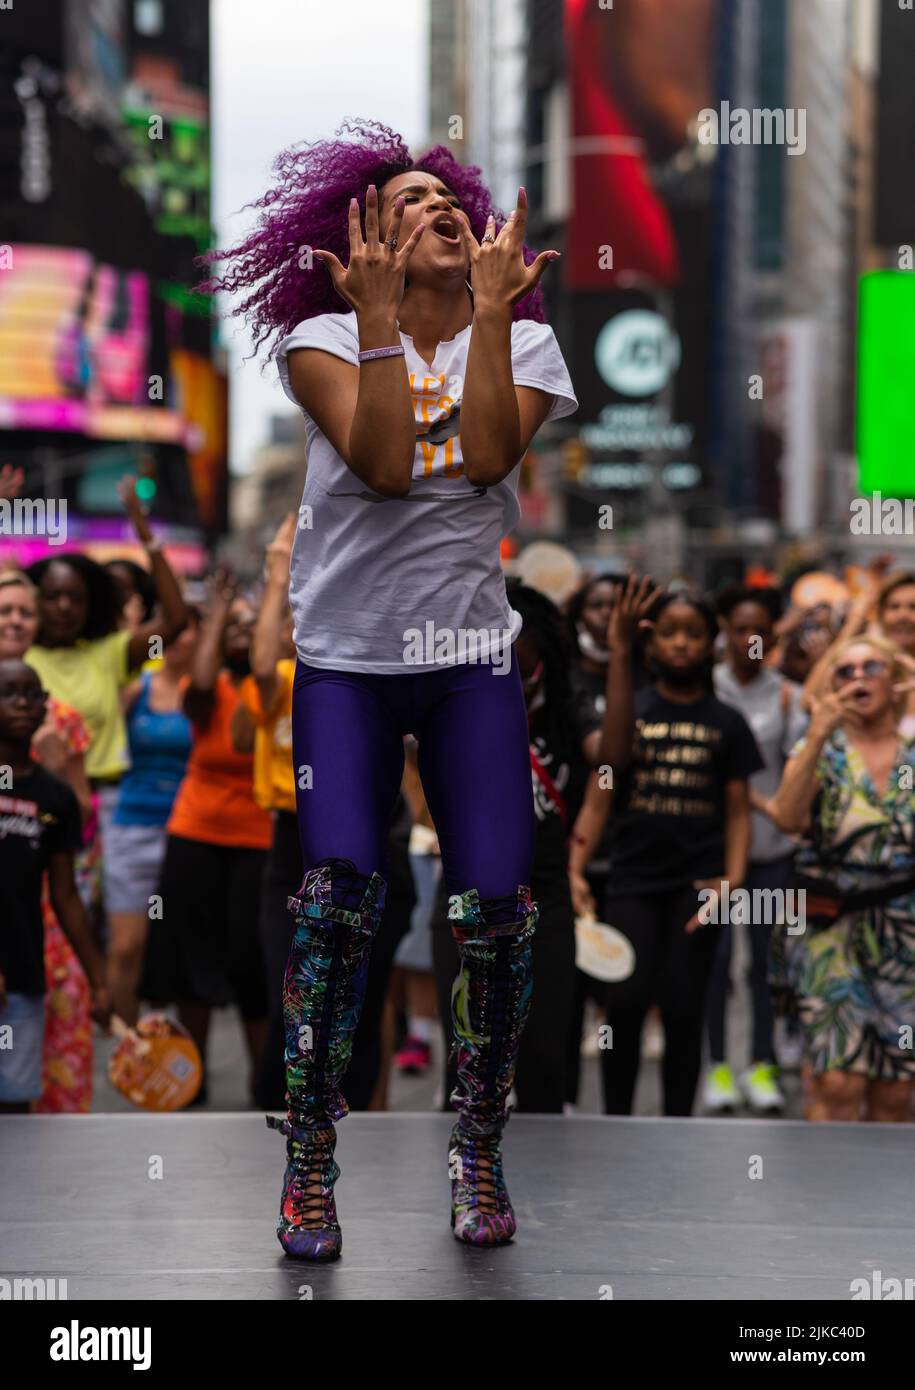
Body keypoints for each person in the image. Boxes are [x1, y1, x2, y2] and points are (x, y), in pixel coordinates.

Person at [201, 118, 576, 1257]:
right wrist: (374, 321)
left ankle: (478, 1146)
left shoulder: (525, 344)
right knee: (339, 898)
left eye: (444, 197)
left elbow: (481, 459)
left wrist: (497, 314)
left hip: (466, 664)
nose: (435, 210)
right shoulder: (321, 335)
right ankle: (311, 1158)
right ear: (361, 236)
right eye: (404, 203)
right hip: (348, 667)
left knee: (501, 909)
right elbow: (375, 462)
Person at [580, 579, 764, 1116]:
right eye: (668, 634)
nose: (680, 643)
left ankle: (680, 1123)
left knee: (684, 1008)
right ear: (651, 643)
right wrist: (577, 863)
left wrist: (731, 883)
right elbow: (601, 795)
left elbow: (737, 811)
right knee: (626, 1003)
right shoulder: (630, 711)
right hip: (633, 880)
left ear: (714, 643)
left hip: (696, 885)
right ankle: (616, 1118)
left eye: (693, 634)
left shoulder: (727, 722)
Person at [431, 583, 586, 1115]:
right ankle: (468, 1169)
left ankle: (547, 1173)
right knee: (466, 1047)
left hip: (544, 892)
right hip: (462, 892)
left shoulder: (562, 714)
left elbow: (610, 762)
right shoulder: (449, 699)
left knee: (545, 1053)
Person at [769, 636, 915, 1122]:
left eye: (870, 667)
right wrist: (816, 733)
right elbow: (787, 818)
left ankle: (884, 1201)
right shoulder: (820, 749)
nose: (857, 678)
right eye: (844, 671)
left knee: (898, 1088)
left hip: (904, 932)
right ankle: (828, 1196)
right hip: (830, 929)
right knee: (837, 1079)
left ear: (894, 683)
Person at [140, 578, 270, 1104]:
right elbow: (196, 681)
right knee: (190, 957)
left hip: (258, 841)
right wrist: (217, 613)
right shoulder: (208, 694)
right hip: (195, 834)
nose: (239, 633)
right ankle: (186, 1083)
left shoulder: (274, 687)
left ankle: (267, 1090)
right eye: (230, 628)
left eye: (248, 625)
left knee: (251, 960)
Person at [25, 479, 187, 840]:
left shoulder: (109, 653)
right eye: (53, 597)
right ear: (36, 600)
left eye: (76, 598)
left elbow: (176, 621)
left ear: (91, 606)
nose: (64, 607)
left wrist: (146, 534)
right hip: (33, 798)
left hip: (108, 805)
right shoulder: (17, 657)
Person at [702, 584, 808, 1113]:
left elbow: (796, 778)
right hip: (714, 855)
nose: (749, 638)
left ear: (773, 636)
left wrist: (765, 808)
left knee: (766, 963)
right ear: (724, 630)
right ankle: (718, 1069)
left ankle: (762, 1066)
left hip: (771, 854)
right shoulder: (706, 690)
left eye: (760, 630)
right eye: (739, 627)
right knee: (716, 962)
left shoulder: (787, 696)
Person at [0, 570, 96, 1112]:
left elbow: (66, 893)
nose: (20, 703)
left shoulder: (52, 790)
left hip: (29, 961)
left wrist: (97, 977)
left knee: (15, 1102)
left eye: (29, 695)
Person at [104, 610, 198, 1024]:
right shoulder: (135, 690)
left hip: (188, 833)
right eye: (170, 630)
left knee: (177, 948)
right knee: (127, 947)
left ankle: (173, 1062)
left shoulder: (209, 690)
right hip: (131, 827)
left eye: (186, 629)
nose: (178, 639)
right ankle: (130, 1052)